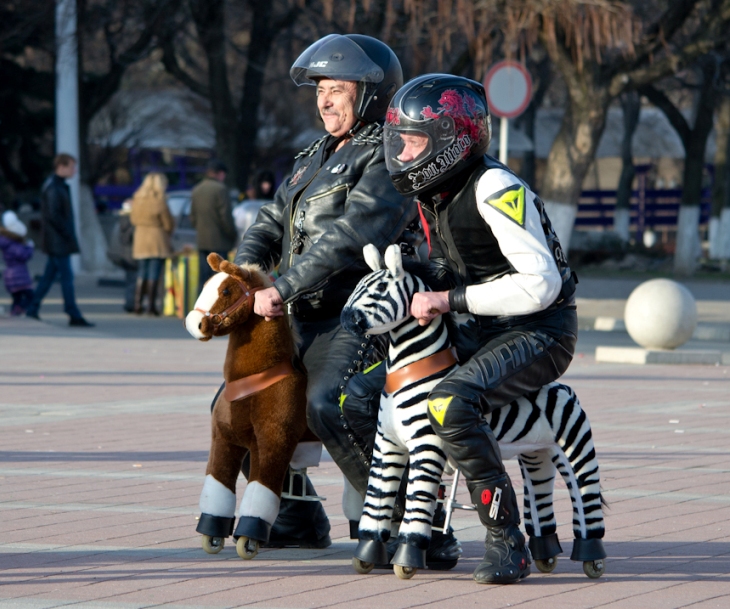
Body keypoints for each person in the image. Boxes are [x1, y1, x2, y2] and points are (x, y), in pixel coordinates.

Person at [381, 74, 579, 584]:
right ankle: (420, 528)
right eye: (399, 139)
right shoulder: (438, 192)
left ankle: (505, 537)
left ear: (453, 138)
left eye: (415, 140)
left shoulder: (495, 188)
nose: (403, 151)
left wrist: (446, 299)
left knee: (450, 403)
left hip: (540, 332)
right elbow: (455, 267)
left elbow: (541, 285)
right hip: (487, 327)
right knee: (367, 394)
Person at [232, 34, 419, 549]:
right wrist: (245, 270)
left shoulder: (387, 157)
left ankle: (399, 517)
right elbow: (273, 216)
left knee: (326, 402)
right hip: (299, 317)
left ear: (372, 95)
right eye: (320, 89)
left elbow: (352, 235)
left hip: (355, 317)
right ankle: (295, 516)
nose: (325, 99)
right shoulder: (313, 155)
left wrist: (283, 286)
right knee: (238, 403)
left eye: (338, 88)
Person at [26, 153, 94, 328]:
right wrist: (67, 234)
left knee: (49, 277)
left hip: (57, 240)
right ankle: (72, 313)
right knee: (67, 278)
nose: (74, 170)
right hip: (58, 241)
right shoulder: (54, 187)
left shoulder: (58, 185)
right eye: (71, 166)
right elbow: (55, 216)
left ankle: (32, 308)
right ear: (61, 167)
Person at [129, 172, 174, 315]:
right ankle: (151, 306)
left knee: (142, 271)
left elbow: (133, 220)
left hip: (140, 237)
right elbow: (168, 224)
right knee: (154, 272)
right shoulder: (160, 201)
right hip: (157, 239)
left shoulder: (137, 199)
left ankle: (137, 304)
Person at [190, 160, 237, 286]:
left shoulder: (197, 189)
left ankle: (199, 304)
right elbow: (225, 217)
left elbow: (193, 217)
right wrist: (233, 235)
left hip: (202, 241)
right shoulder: (221, 189)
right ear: (220, 174)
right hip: (219, 242)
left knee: (203, 280)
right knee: (218, 280)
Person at [0, 211, 34, 316]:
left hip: (11, 275)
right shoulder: (12, 244)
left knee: (16, 298)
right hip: (18, 275)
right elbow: (23, 255)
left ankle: (14, 313)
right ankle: (19, 309)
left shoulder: (7, 243)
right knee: (30, 296)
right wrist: (30, 248)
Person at [107, 200, 138, 313]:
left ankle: (130, 303)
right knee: (133, 281)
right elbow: (130, 238)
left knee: (130, 280)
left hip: (123, 255)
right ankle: (130, 304)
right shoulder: (132, 222)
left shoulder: (120, 222)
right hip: (131, 254)